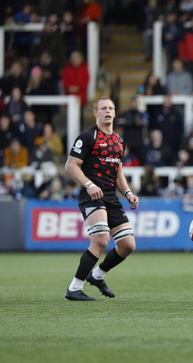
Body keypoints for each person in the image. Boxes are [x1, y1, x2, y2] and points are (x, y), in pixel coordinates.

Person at [63, 96, 139, 301]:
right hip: (91, 196)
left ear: (114, 113)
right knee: (101, 240)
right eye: (103, 108)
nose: (107, 111)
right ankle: (74, 288)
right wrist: (89, 184)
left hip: (111, 197)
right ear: (95, 112)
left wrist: (129, 193)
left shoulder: (118, 141)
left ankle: (97, 276)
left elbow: (118, 173)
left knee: (128, 245)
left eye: (111, 108)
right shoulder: (88, 137)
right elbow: (70, 166)